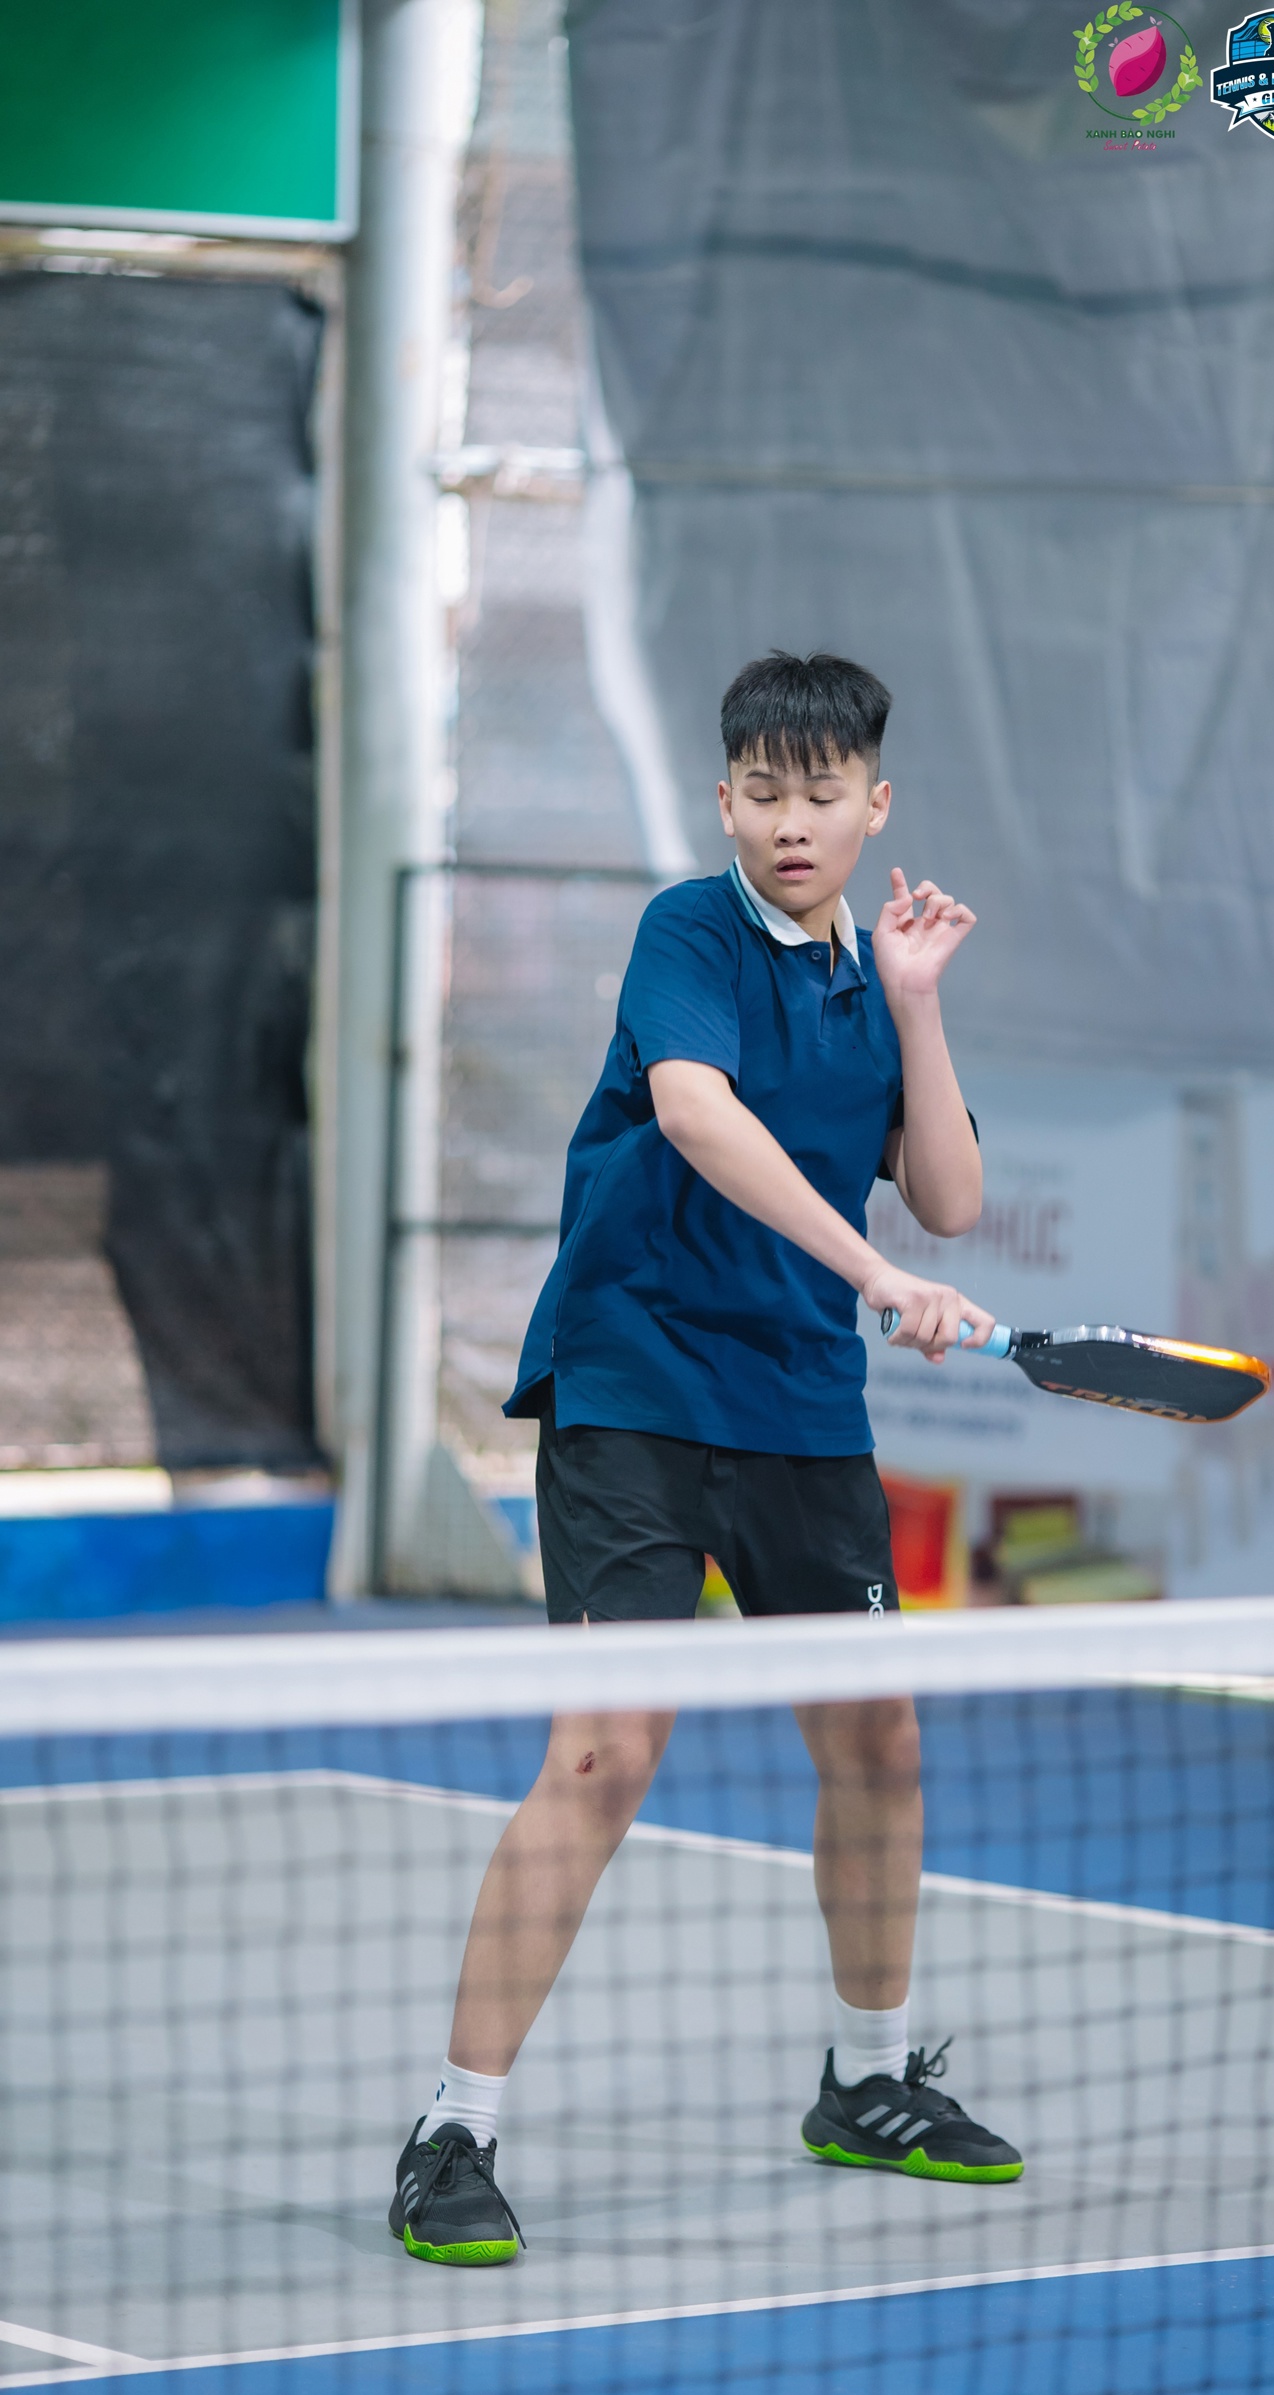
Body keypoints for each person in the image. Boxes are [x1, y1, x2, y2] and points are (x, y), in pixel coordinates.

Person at [390, 650, 1023, 2266]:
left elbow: (950, 1199)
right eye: (764, 792)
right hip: (639, 1385)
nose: (791, 823)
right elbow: (695, 1115)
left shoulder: (870, 982)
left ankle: (869, 2083)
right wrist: (871, 1274)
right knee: (605, 1755)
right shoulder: (690, 933)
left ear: (875, 807)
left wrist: (919, 1003)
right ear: (725, 801)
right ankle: (454, 2127)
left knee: (879, 1743)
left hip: (800, 1410)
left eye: (823, 794)